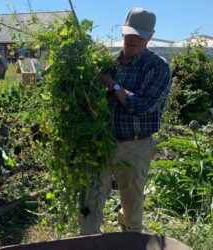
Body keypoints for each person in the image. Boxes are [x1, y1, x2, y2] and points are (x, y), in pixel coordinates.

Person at [79, 7, 172, 234]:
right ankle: (88, 241)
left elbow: (142, 106)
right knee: (89, 201)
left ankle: (130, 240)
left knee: (131, 205)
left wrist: (113, 84)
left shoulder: (158, 67)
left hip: (135, 145)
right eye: (128, 37)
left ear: (149, 37)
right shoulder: (110, 63)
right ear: (123, 33)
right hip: (103, 143)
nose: (131, 42)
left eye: (138, 39)